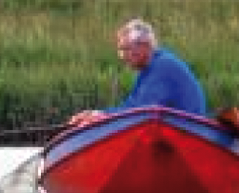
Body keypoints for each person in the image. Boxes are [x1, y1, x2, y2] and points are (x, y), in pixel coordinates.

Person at [68, 19, 207, 127]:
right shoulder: (150, 68)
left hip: (185, 134)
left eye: (126, 49)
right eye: (120, 50)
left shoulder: (163, 66)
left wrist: (100, 115)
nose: (122, 56)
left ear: (145, 45)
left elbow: (141, 111)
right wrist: (97, 114)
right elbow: (132, 106)